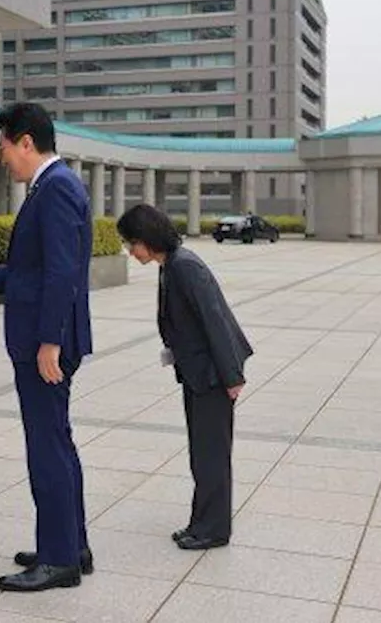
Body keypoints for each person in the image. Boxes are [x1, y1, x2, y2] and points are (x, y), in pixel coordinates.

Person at [0, 102, 93, 593]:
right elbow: (31, 271)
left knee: (46, 449)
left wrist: (50, 341)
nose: (2, 156)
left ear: (25, 141)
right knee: (57, 443)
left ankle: (58, 560)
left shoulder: (56, 190)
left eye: (4, 146)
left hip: (44, 343)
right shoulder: (50, 188)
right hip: (42, 337)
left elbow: (62, 273)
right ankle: (70, 545)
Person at [116, 204, 251, 551]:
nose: (131, 252)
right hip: (197, 374)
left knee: (211, 455)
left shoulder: (185, 267)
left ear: (147, 238)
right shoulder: (171, 265)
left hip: (213, 376)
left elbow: (215, 321)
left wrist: (232, 377)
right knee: (202, 453)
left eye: (132, 243)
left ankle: (214, 530)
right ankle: (201, 523)